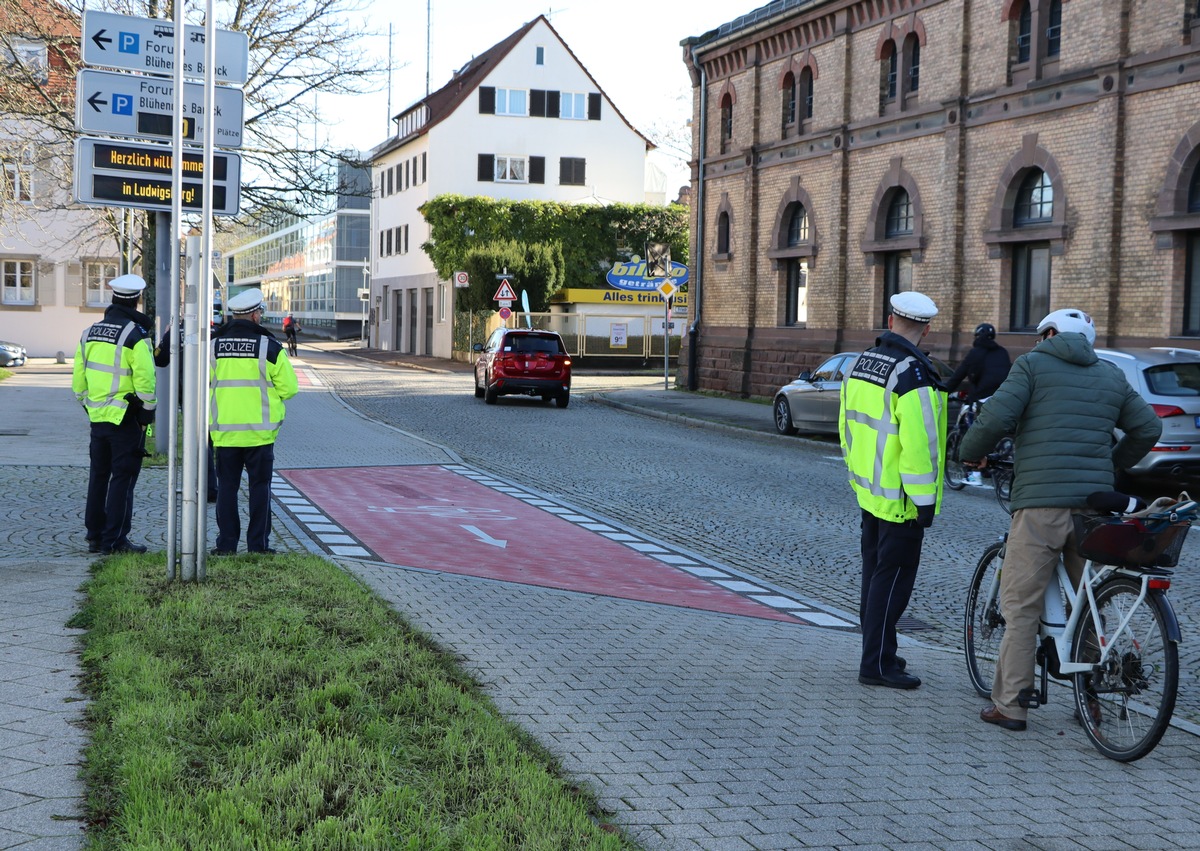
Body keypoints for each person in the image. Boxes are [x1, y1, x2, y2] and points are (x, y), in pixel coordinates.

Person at [960, 308, 1161, 731]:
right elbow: (1147, 429)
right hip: (1093, 509)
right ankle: (1090, 701)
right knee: (1087, 603)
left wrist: (968, 450)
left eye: (1040, 336)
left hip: (1040, 505)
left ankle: (1011, 705)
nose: (1037, 343)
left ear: (1051, 334)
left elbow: (995, 418)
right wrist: (1109, 465)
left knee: (1021, 606)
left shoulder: (1033, 365)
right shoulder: (1109, 374)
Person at [839, 291, 947, 690]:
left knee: (875, 576)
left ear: (889, 321)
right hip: (901, 500)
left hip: (870, 491)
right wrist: (925, 503)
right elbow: (922, 449)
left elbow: (845, 425)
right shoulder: (913, 376)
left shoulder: (860, 362)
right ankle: (877, 665)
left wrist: (857, 474)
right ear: (927, 328)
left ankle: (882, 653)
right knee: (893, 582)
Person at [72, 273, 158, 555]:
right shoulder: (135, 335)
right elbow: (145, 379)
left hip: (97, 418)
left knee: (98, 476)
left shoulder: (89, 332)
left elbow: (78, 380)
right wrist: (148, 410)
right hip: (126, 419)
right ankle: (116, 540)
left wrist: (89, 405)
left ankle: (95, 536)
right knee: (123, 478)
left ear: (113, 298)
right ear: (137, 300)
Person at [209, 288, 298, 555]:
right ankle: (258, 546)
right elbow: (290, 388)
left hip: (225, 432)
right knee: (260, 489)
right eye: (260, 311)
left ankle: (226, 546)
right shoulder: (269, 347)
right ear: (255, 314)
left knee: (227, 488)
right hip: (260, 434)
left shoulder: (213, 346)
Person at [944, 323, 1011, 404]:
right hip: (1003, 397)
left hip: (982, 397)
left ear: (978, 337)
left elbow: (958, 376)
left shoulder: (975, 353)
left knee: (970, 411)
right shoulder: (1002, 352)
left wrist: (944, 392)